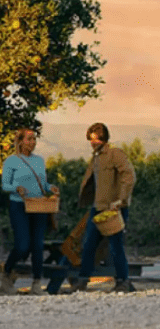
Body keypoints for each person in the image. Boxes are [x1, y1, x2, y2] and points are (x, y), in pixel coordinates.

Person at [74, 123, 137, 293]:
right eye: (91, 139)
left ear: (103, 138)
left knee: (115, 246)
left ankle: (122, 281)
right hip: (98, 207)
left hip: (114, 209)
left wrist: (121, 200)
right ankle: (82, 280)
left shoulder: (115, 154)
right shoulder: (95, 158)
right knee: (88, 244)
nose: (93, 143)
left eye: (95, 139)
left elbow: (129, 175)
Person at [0, 127, 58, 294]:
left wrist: (50, 187)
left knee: (38, 245)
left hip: (39, 205)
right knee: (23, 245)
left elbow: (42, 183)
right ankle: (6, 271)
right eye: (29, 139)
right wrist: (16, 188)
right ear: (20, 141)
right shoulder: (11, 161)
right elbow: (5, 185)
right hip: (19, 205)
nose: (32, 142)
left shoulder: (39, 160)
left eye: (34, 139)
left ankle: (37, 283)